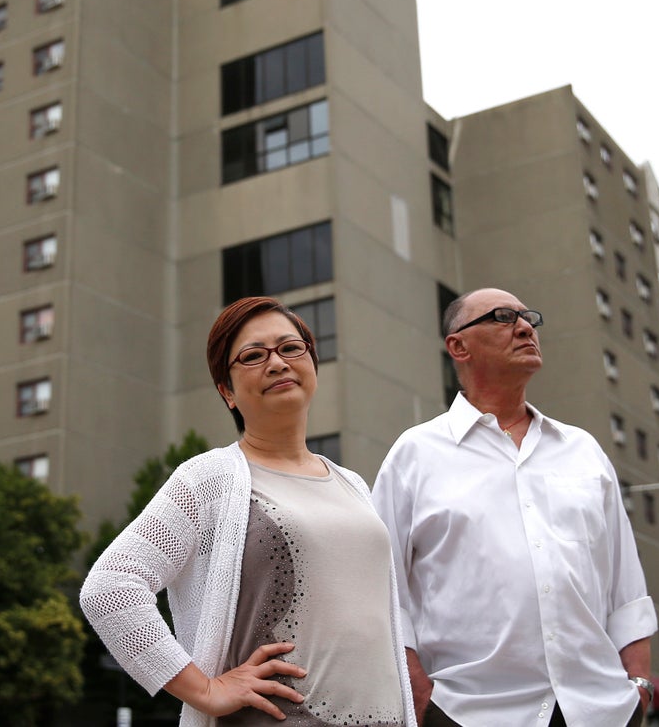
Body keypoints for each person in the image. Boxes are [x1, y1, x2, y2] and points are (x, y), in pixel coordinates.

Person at [81, 296, 416, 727]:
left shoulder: (353, 484)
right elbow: (110, 589)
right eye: (254, 356)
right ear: (228, 392)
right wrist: (205, 690)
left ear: (313, 364)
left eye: (290, 348)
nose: (277, 363)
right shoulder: (208, 480)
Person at [372, 287, 657, 727]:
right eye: (503, 317)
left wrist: (639, 688)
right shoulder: (415, 455)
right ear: (458, 346)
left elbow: (627, 590)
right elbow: (381, 589)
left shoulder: (582, 451)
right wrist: (420, 694)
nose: (525, 327)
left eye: (529, 318)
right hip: (468, 713)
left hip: (599, 711)